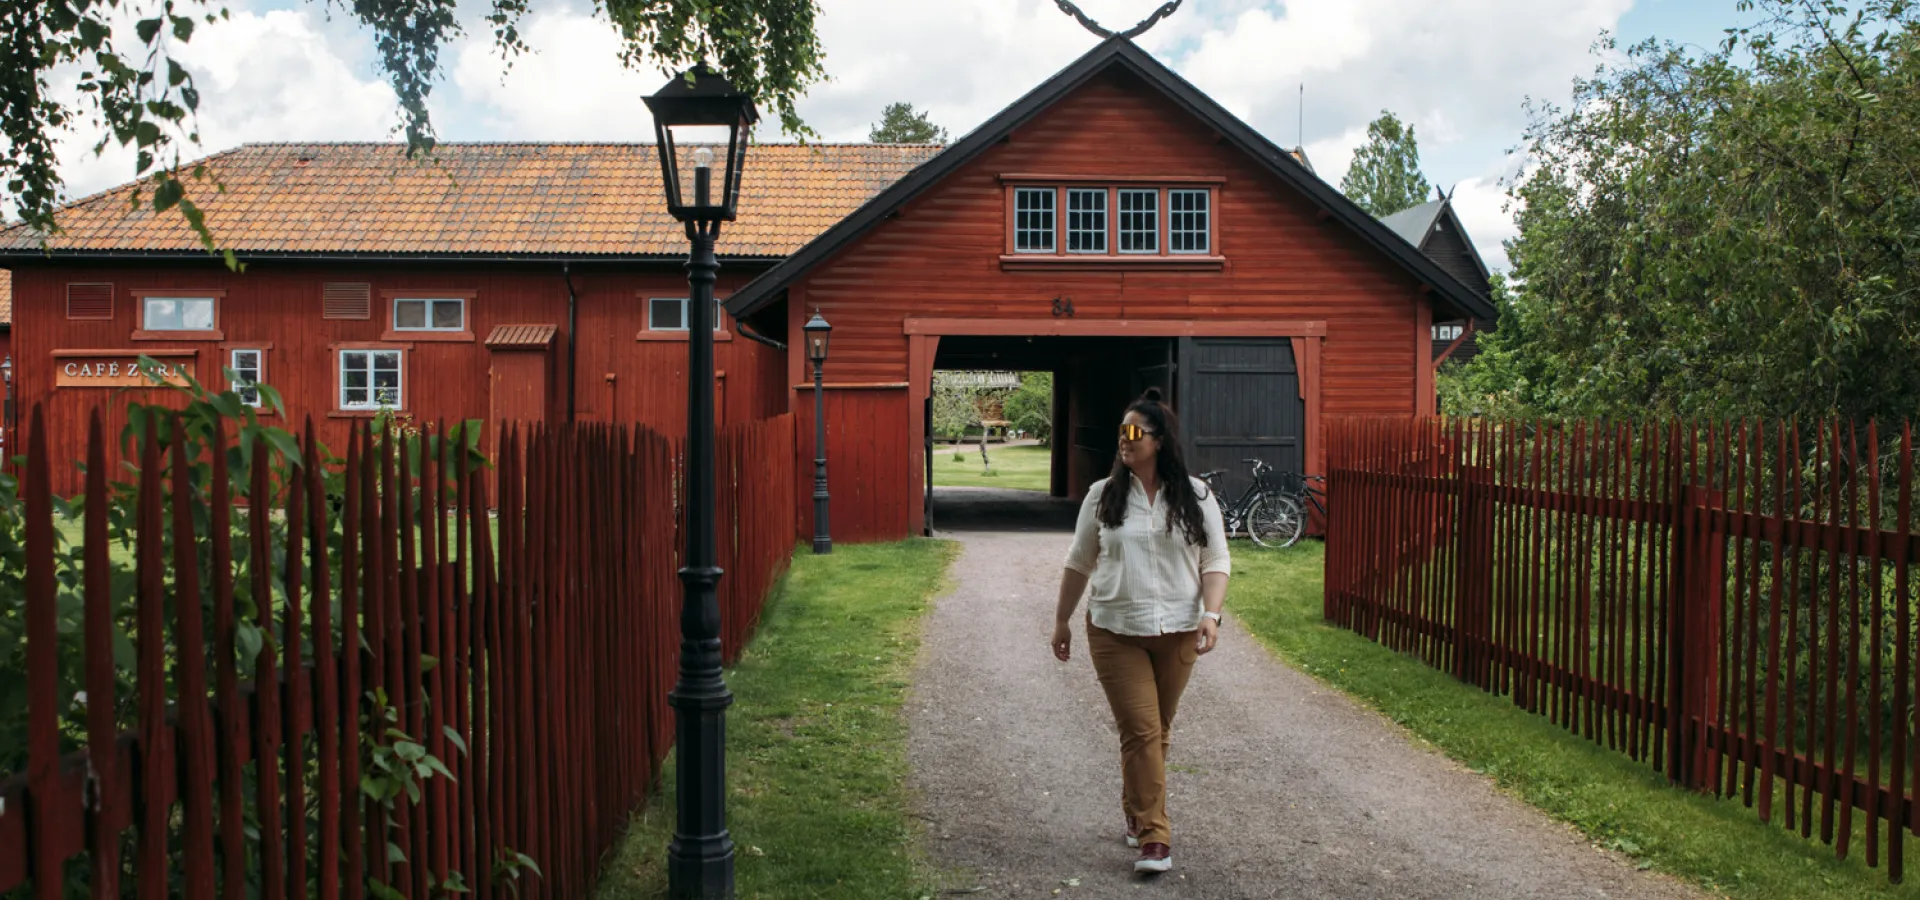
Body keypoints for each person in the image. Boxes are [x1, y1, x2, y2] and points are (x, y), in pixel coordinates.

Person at [1051, 387, 1229, 875]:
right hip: (1114, 629)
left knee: (1155, 730)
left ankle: (1136, 806)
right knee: (1143, 729)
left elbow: (1215, 560)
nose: (1124, 441)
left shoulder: (1196, 495)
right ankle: (1155, 837)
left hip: (1176, 629)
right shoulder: (1101, 496)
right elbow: (1079, 562)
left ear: (1159, 440)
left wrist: (1211, 615)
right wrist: (1062, 618)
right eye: (1120, 433)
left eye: (1134, 433)